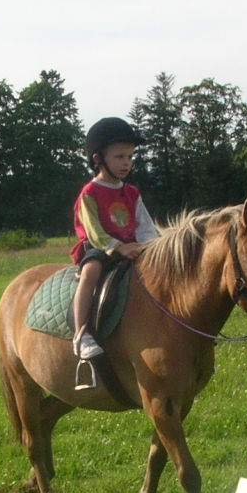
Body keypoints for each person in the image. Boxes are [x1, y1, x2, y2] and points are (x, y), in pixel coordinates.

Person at [69, 117, 156, 366]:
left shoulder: (132, 192)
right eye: (119, 157)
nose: (126, 163)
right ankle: (81, 334)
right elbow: (93, 231)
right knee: (91, 272)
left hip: (132, 247)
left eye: (130, 157)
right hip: (99, 248)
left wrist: (150, 247)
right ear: (98, 159)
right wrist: (118, 247)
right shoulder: (90, 193)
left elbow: (145, 226)